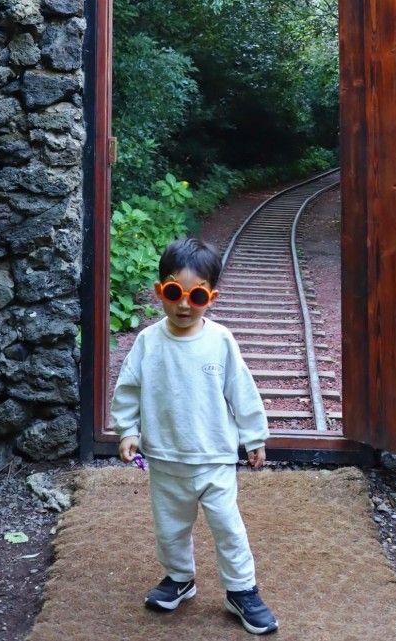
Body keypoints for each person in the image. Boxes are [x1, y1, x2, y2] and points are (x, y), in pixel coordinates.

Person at [111, 237, 279, 635]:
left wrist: (254, 436)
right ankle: (179, 577)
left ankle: (241, 590)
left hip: (215, 459)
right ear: (159, 292)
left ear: (211, 297)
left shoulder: (220, 341)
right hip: (167, 460)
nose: (184, 304)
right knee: (170, 528)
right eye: (174, 292)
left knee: (228, 527)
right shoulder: (148, 343)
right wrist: (127, 430)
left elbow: (242, 389)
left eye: (196, 295)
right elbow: (128, 389)